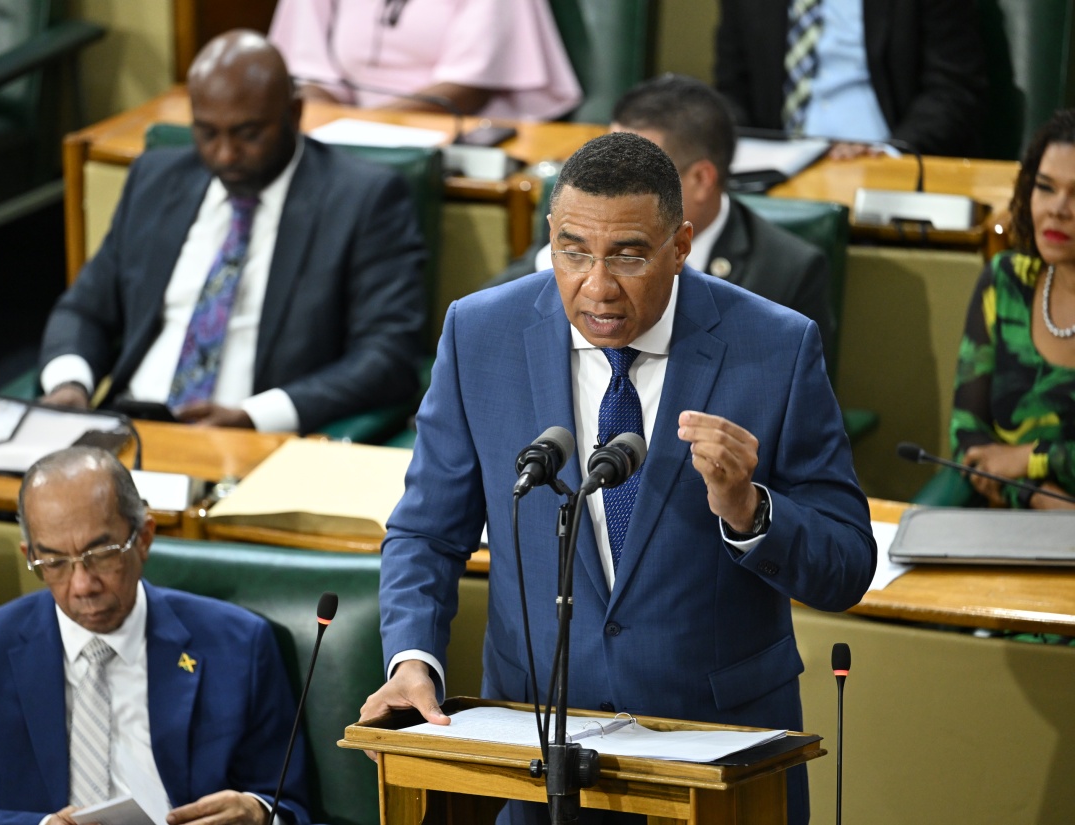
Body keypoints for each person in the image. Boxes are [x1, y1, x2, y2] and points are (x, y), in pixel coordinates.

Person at [364, 132, 876, 825]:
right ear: (550, 235)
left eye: (629, 254)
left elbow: (846, 565)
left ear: (681, 243)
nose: (596, 286)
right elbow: (426, 531)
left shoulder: (775, 348)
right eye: (573, 251)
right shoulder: (478, 333)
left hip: (716, 763)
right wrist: (412, 660)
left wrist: (749, 509)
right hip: (535, 751)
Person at [39, 30, 426, 434]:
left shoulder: (362, 201)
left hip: (253, 443)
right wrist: (70, 383)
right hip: (128, 426)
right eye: (207, 133)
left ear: (293, 114)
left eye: (248, 134)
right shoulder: (155, 181)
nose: (225, 155)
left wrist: (256, 417)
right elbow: (85, 309)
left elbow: (388, 356)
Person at [0, 446, 310, 825]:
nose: (82, 585)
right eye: (55, 562)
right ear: (31, 556)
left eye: (100, 555)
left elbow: (289, 802)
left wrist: (258, 813)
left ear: (144, 537)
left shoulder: (239, 644)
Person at [494, 74, 836, 370]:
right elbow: (490, 322)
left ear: (702, 179)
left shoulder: (786, 272)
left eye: (640, 171)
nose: (610, 184)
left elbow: (794, 409)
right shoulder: (578, 225)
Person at [951, 109, 1075, 510]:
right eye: (1045, 187)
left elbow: (1004, 459)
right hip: (1012, 526)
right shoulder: (1006, 282)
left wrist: (1027, 458)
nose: (1059, 209)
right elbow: (968, 443)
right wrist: (1036, 496)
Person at [714, 0, 986, 158]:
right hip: (779, 176)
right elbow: (731, 89)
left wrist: (889, 152)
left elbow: (953, 88)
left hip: (884, 169)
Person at [268, 0, 581, 121]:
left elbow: (468, 88)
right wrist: (327, 122)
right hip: (341, 131)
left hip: (449, 132)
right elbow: (307, 70)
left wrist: (363, 128)